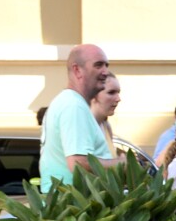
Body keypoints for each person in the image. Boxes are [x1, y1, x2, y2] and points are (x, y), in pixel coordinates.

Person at [39, 43, 122, 193]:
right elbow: (78, 164)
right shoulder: (74, 106)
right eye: (98, 65)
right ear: (77, 70)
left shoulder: (67, 101)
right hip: (74, 208)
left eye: (106, 65)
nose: (105, 72)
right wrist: (122, 163)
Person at [91, 74, 120, 148]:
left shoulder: (106, 126)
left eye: (118, 93)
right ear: (94, 95)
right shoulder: (82, 126)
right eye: (111, 92)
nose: (118, 99)